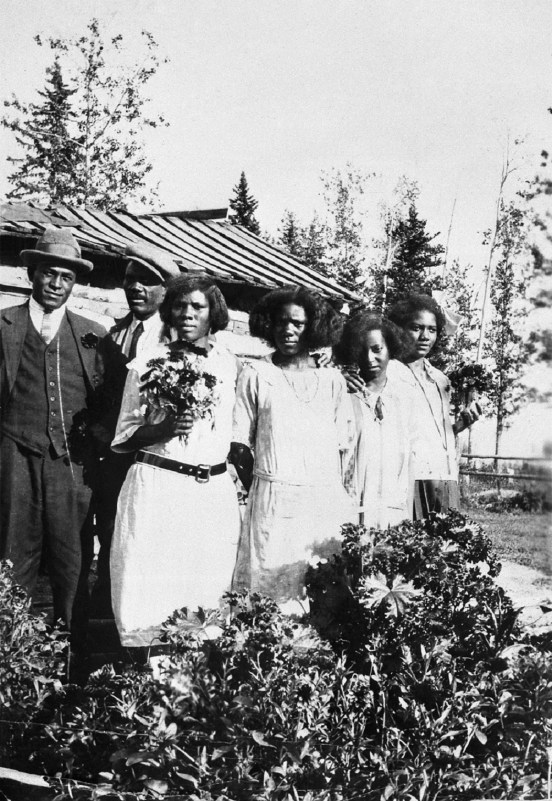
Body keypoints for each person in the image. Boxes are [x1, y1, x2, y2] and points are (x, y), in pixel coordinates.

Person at [0, 227, 120, 653]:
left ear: (75, 283)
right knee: (13, 558)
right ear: (31, 273)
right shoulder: (4, 324)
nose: (56, 284)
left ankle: (71, 669)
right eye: (48, 273)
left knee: (72, 562)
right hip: (14, 456)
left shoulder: (93, 335)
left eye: (65, 277)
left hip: (71, 464)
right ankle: (10, 661)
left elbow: (111, 403)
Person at [109, 274, 242, 647]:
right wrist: (163, 428)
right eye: (180, 306)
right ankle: (150, 671)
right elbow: (123, 435)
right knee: (151, 582)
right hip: (158, 484)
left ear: (212, 314)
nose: (187, 314)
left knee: (203, 584)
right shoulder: (147, 364)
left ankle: (198, 680)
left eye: (197, 307)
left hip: (208, 490)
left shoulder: (231, 366)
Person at [230, 286, 354, 613]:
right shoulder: (256, 374)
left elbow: (345, 445)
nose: (288, 330)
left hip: (320, 499)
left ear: (312, 328)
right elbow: (239, 444)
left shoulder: (332, 381)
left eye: (297, 323)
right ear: (269, 325)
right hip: (272, 497)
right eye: (281, 322)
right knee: (268, 586)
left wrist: (331, 493)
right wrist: (262, 486)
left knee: (318, 583)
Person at [91, 243, 180, 618]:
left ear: (165, 290)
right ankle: (108, 619)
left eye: (146, 281)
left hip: (153, 459)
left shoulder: (174, 340)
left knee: (148, 543)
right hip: (112, 457)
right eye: (130, 280)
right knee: (113, 534)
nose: (136, 288)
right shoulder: (114, 334)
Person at [387, 293, 480, 518]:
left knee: (444, 545)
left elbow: (435, 431)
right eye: (416, 327)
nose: (425, 336)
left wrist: (458, 426)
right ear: (399, 329)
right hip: (406, 478)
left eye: (432, 329)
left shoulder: (440, 380)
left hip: (443, 475)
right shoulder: (388, 373)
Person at [336, 312, 418, 528]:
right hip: (353, 508)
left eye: (377, 349)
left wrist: (406, 512)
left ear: (391, 349)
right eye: (362, 351)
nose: (369, 358)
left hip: (393, 509)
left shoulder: (403, 398)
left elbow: (409, 460)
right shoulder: (344, 396)